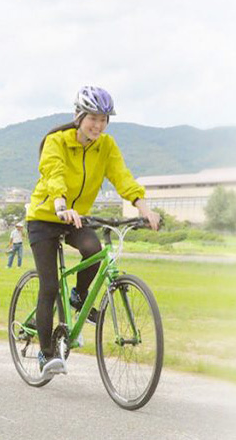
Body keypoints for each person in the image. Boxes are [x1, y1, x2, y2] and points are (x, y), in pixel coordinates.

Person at [25, 86, 160, 380]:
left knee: (95, 251)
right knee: (48, 286)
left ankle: (78, 298)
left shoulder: (106, 146)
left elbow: (121, 176)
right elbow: (53, 172)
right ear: (79, 116)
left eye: (104, 119)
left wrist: (144, 207)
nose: (98, 125)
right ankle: (46, 355)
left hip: (76, 217)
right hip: (46, 216)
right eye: (93, 119)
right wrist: (61, 204)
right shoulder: (56, 141)